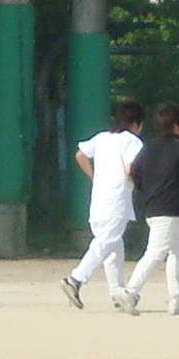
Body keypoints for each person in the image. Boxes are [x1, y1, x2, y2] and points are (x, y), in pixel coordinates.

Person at [64, 99, 147, 313]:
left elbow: (80, 155)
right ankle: (75, 279)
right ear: (136, 123)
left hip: (98, 200)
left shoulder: (102, 138)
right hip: (117, 201)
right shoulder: (132, 141)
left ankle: (117, 293)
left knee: (113, 248)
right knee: (105, 243)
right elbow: (130, 169)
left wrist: (94, 177)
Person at [126, 103, 179, 314]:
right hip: (169, 209)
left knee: (178, 250)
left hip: (152, 206)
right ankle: (130, 292)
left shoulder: (148, 148)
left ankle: (176, 298)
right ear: (178, 125)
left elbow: (135, 173)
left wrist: (147, 189)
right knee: (156, 251)